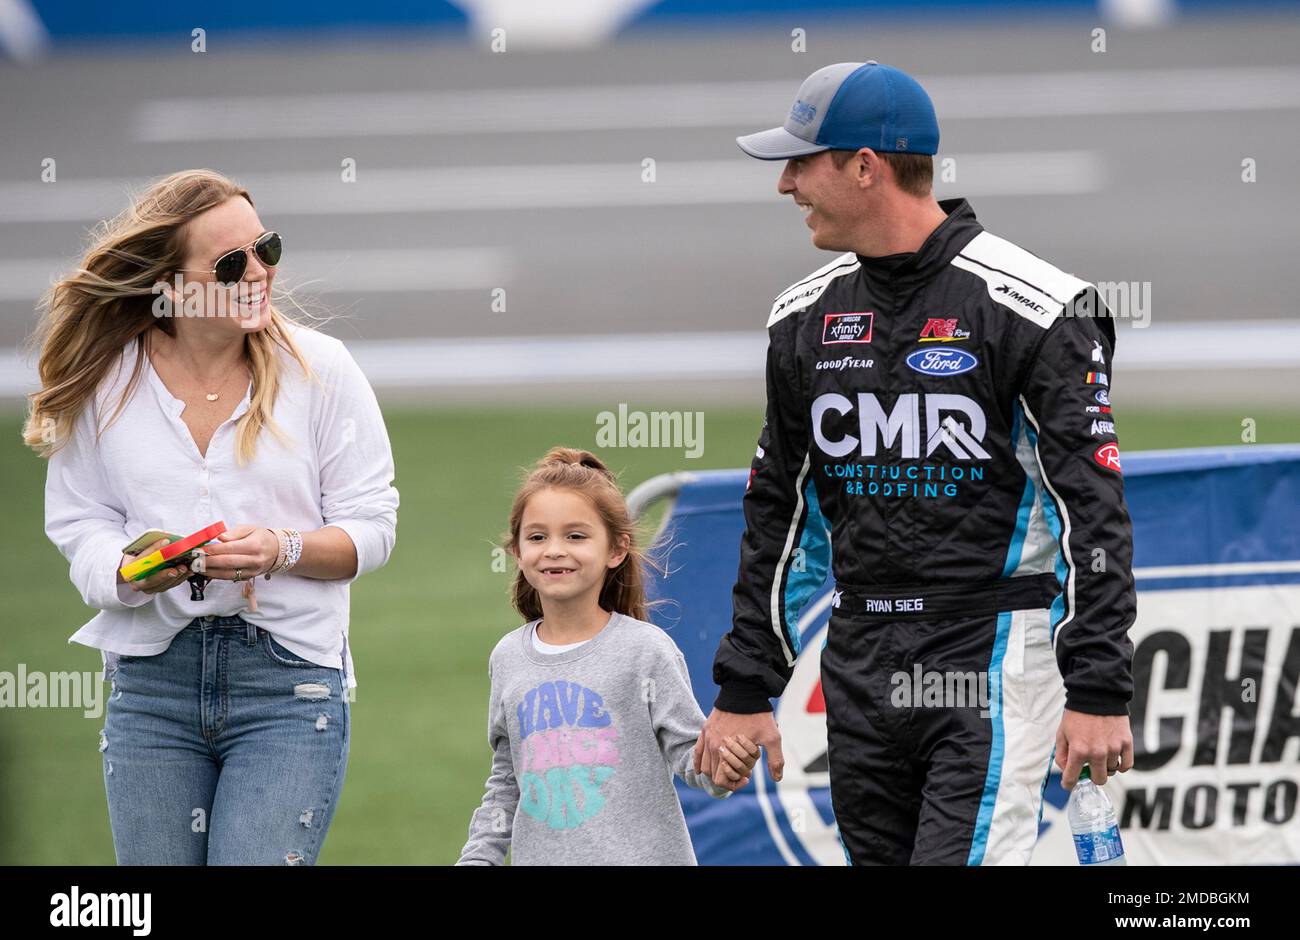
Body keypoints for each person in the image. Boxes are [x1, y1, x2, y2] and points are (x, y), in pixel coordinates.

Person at [692, 62, 1137, 865]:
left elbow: (1092, 515)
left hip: (993, 650)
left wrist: (1099, 687)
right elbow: (781, 515)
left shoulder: (1039, 308)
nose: (785, 185)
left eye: (802, 162)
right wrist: (746, 686)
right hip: (859, 655)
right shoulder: (802, 319)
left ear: (865, 165)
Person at [25, 169, 399, 865]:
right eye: (232, 263)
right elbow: (79, 523)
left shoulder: (322, 369)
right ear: (170, 283)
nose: (259, 272)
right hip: (151, 685)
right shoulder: (108, 378)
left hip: (290, 685)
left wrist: (280, 549)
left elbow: (373, 527)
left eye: (268, 249)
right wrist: (133, 571)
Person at [457, 448, 759, 865]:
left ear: (616, 549)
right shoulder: (508, 656)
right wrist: (477, 857)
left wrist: (723, 768)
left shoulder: (645, 651)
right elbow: (507, 779)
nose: (554, 550)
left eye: (576, 536)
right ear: (517, 552)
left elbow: (693, 759)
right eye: (537, 536)